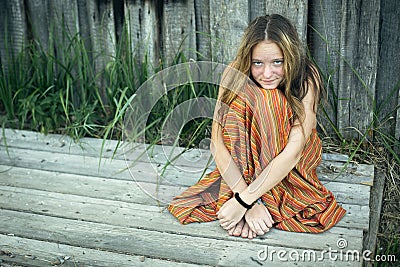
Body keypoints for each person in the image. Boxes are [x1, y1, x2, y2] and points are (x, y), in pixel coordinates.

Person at [168, 14, 346, 239]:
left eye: (277, 62)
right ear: (248, 60)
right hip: (246, 164)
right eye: (258, 63)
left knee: (270, 101)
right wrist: (248, 202)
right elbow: (217, 142)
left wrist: (243, 201)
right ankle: (258, 204)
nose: (268, 73)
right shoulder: (233, 72)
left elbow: (294, 152)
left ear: (289, 57)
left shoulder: (307, 77)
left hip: (293, 164)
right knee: (243, 102)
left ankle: (269, 199)